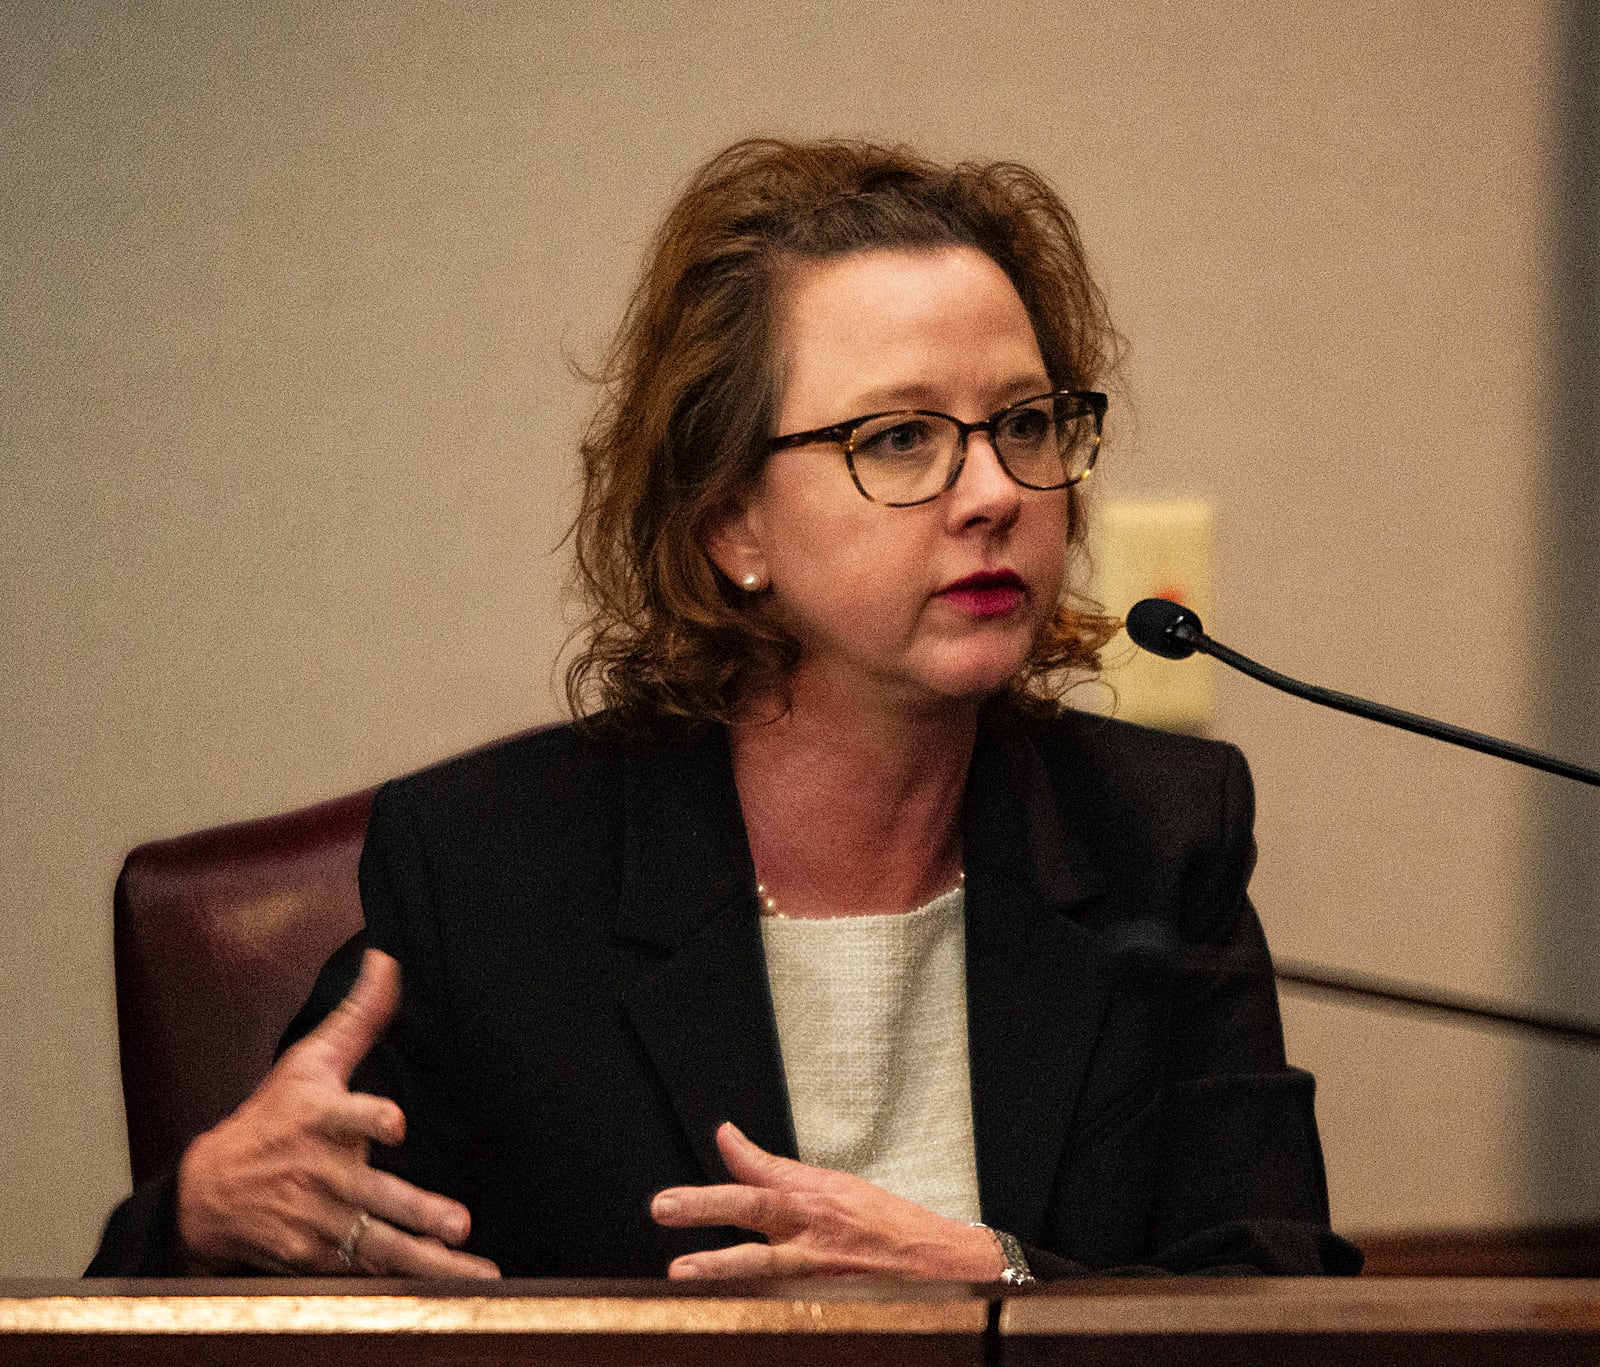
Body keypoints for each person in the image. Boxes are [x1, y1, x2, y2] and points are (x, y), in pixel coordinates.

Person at [90, 137, 1361, 1281]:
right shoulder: (496, 870)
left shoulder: (1156, 836)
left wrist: (998, 1279)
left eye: (1024, 423)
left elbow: (1273, 1293)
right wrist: (197, 1213)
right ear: (730, 524)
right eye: (903, 437)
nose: (992, 491)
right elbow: (201, 1280)